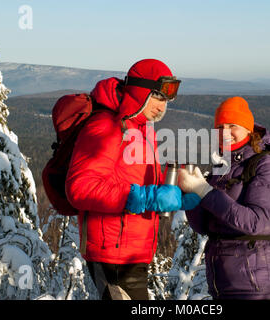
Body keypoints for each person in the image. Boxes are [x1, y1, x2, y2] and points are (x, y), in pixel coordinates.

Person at [65, 59, 199, 300]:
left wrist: (178, 189)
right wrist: (144, 197)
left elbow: (132, 175)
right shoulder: (106, 125)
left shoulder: (139, 127)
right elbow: (80, 188)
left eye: (166, 100)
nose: (162, 107)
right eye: (158, 97)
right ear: (141, 91)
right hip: (112, 256)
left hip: (131, 251)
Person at [178, 96, 270, 300]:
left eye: (232, 125)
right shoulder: (223, 166)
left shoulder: (264, 164)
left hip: (252, 281)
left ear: (247, 128)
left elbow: (255, 222)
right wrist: (189, 194)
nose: (224, 133)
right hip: (223, 281)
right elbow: (205, 226)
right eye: (219, 127)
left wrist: (204, 191)